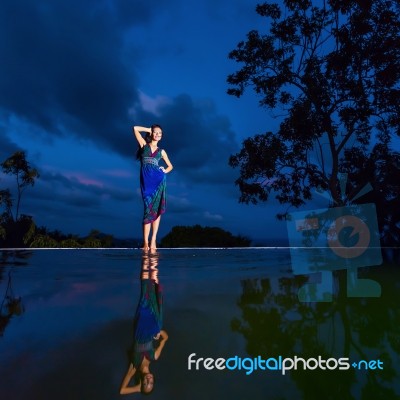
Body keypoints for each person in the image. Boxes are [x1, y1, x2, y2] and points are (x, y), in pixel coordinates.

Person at [120, 251, 168, 395]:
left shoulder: (134, 366)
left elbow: (122, 391)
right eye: (151, 383)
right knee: (154, 288)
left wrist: (138, 388)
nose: (149, 380)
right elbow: (165, 337)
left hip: (141, 328)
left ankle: (145, 258)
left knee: (145, 293)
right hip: (156, 323)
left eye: (146, 384)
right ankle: (152, 257)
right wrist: (159, 333)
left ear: (142, 382)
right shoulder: (155, 356)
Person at [133, 125, 173, 250]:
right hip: (146, 182)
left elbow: (170, 166)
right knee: (147, 209)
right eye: (155, 132)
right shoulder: (144, 145)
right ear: (151, 133)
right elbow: (135, 128)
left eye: (160, 133)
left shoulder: (162, 151)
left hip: (159, 180)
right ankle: (145, 242)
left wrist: (164, 170)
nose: (157, 134)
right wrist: (149, 130)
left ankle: (153, 240)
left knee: (157, 210)